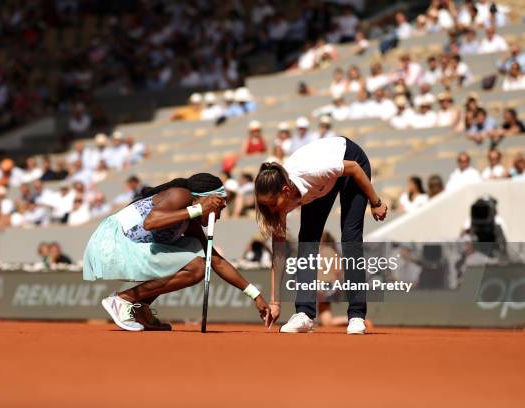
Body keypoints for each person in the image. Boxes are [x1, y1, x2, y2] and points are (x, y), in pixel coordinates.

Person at [83, 173, 269, 331]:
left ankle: (140, 307)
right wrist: (198, 209)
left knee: (196, 254)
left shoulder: (190, 220)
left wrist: (255, 295)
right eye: (217, 208)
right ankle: (123, 300)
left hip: (128, 247)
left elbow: (216, 261)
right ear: (204, 199)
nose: (218, 216)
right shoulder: (181, 195)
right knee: (196, 267)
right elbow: (150, 222)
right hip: (111, 245)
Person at [254, 137, 388, 335]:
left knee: (350, 238)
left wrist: (375, 202)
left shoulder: (313, 171)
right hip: (323, 184)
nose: (271, 210)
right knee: (308, 239)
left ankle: (357, 314)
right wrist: (275, 302)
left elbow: (354, 168)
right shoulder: (278, 201)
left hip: (351, 162)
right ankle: (304, 315)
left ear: (286, 190)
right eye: (265, 206)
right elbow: (279, 255)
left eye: (273, 204)